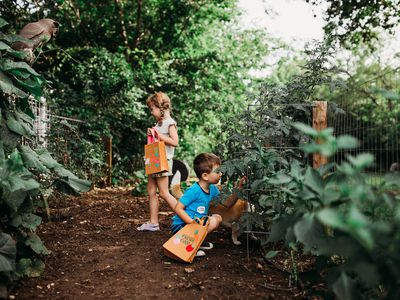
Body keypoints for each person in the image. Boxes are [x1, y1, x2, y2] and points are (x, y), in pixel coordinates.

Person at [137, 92, 179, 231]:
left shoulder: (170, 123)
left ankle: (186, 216)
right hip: (154, 160)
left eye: (152, 108)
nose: (151, 111)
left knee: (164, 193)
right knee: (151, 191)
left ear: (161, 108)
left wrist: (159, 136)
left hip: (163, 162)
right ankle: (153, 222)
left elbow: (175, 142)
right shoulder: (159, 123)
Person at [171, 153, 223, 257]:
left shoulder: (212, 188)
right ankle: (188, 246)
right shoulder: (194, 190)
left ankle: (196, 241)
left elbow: (227, 203)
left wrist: (238, 190)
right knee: (211, 220)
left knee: (217, 218)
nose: (220, 174)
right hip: (181, 227)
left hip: (195, 225)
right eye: (217, 171)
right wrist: (191, 222)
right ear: (205, 176)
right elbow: (178, 208)